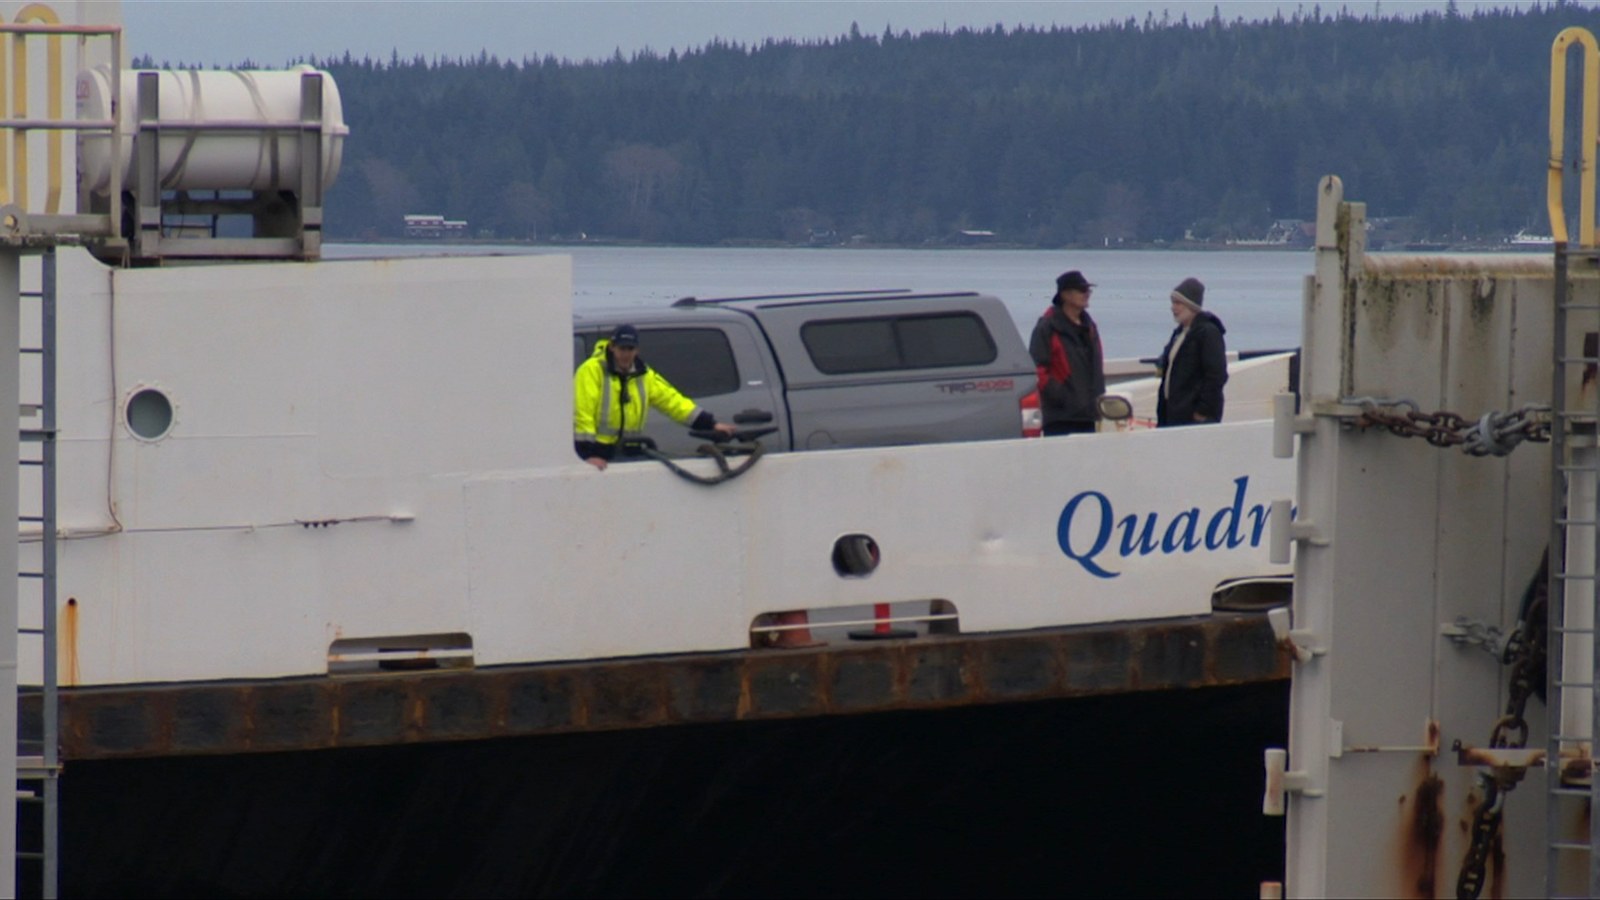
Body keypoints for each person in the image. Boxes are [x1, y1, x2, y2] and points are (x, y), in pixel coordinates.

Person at [573, 324, 735, 469]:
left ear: (637, 350)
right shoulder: (591, 371)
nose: (626, 354)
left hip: (629, 453)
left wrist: (710, 424)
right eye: (622, 348)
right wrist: (588, 455)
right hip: (598, 455)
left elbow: (673, 402)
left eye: (630, 349)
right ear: (612, 347)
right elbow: (582, 413)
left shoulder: (644, 375)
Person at [1028, 270, 1106, 435]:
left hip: (1088, 415)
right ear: (1065, 295)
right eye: (1081, 290)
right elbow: (1038, 370)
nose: (1087, 294)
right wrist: (1062, 396)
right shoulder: (1047, 328)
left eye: (1088, 290)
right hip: (1060, 418)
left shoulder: (1089, 327)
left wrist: (1098, 399)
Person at [1155, 277, 1228, 427]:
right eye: (1172, 303)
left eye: (1178, 303)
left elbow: (1216, 375)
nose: (1173, 308)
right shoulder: (1180, 333)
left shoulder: (1208, 333)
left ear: (1191, 305)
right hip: (1174, 413)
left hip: (1195, 417)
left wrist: (1203, 410)